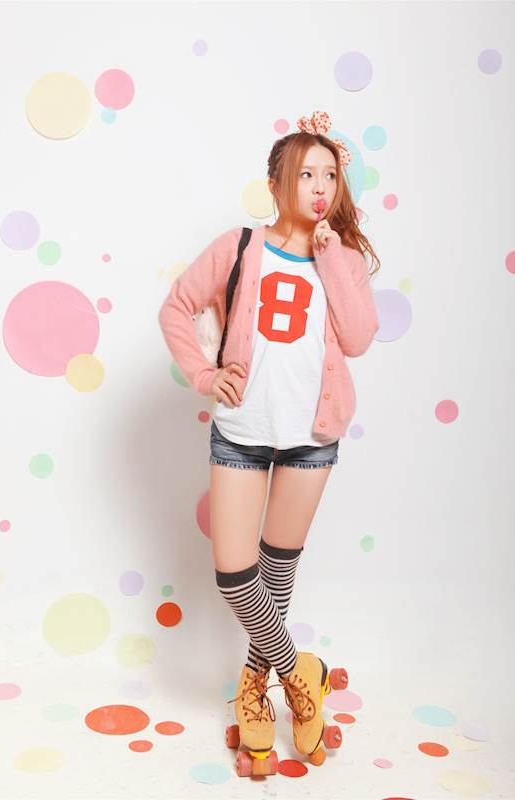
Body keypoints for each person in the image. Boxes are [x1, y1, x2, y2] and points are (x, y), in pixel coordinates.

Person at [158, 110, 381, 770]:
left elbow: (359, 339)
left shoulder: (340, 257)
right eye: (306, 174)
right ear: (277, 183)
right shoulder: (238, 246)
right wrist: (205, 375)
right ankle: (298, 673)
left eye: (329, 175)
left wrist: (330, 252)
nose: (319, 187)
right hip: (241, 435)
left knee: (276, 574)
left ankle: (254, 690)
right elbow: (176, 307)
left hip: (312, 437)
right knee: (236, 575)